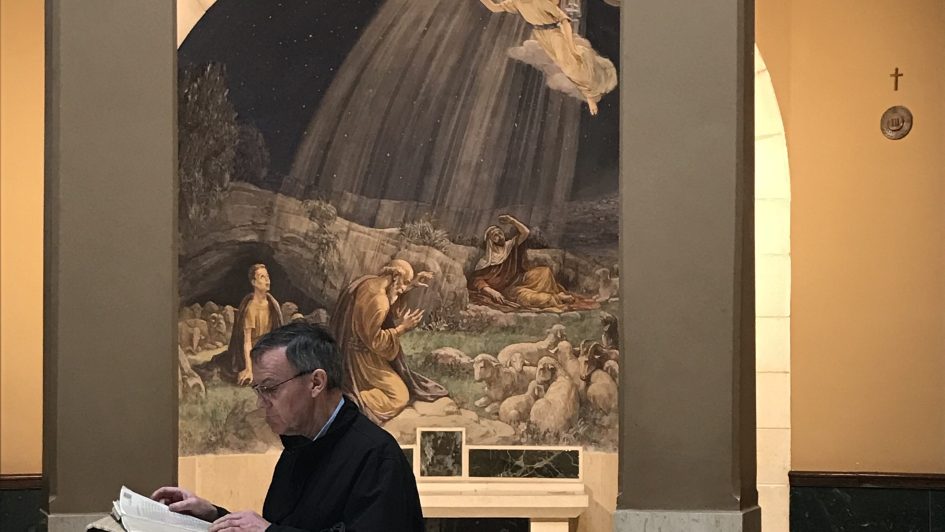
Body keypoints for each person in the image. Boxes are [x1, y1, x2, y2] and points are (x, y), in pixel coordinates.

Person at [153, 322, 424, 532]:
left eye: (270, 389)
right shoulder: (299, 444)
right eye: (258, 391)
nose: (261, 404)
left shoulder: (377, 456)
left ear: (316, 383)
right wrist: (213, 516)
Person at [331, 259, 449, 424]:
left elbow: (391, 294)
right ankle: (353, 401)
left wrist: (411, 284)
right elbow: (376, 342)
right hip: (362, 360)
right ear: (395, 277)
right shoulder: (380, 301)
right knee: (399, 396)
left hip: (352, 350)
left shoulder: (368, 282)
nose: (403, 289)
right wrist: (402, 328)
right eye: (404, 283)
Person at [479, 0, 617, 115]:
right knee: (565, 67)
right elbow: (494, 8)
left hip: (554, 35)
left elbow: (564, 20)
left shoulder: (540, 2)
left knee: (570, 67)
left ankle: (590, 94)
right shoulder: (516, 3)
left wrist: (571, 46)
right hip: (542, 37)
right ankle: (589, 90)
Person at [467, 214, 596, 312]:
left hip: (520, 279)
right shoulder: (486, 261)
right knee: (533, 298)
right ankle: (557, 298)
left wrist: (512, 221)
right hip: (509, 290)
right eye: (495, 235)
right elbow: (476, 280)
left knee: (544, 272)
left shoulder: (509, 246)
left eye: (500, 233)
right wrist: (491, 291)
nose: (500, 236)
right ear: (490, 241)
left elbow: (526, 232)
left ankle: (556, 293)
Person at [198, 263, 283, 385]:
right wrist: (249, 369)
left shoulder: (272, 304)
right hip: (254, 351)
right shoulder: (251, 308)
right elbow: (247, 341)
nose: (267, 280)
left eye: (267, 276)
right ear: (254, 282)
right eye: (262, 277)